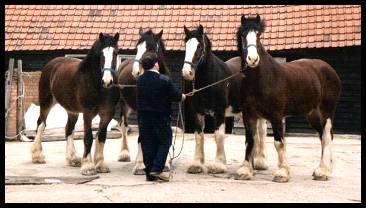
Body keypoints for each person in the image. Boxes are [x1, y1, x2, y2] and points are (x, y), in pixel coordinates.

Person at [136, 52, 186, 182]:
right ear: (156, 65)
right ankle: (157, 168)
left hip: (144, 118)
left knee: (147, 144)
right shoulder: (164, 80)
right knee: (165, 141)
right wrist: (183, 96)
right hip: (160, 117)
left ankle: (149, 173)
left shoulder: (140, 81)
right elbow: (176, 96)